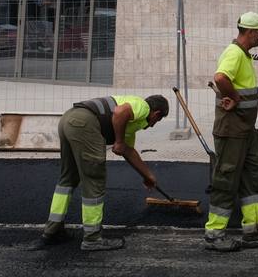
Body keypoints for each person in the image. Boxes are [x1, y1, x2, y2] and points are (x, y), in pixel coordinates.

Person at [38, 92, 169, 252]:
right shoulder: (141, 106)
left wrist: (148, 176)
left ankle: (52, 231)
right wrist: (119, 141)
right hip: (85, 124)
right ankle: (92, 238)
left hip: (69, 120)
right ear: (156, 114)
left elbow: (129, 152)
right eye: (158, 120)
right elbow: (120, 113)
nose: (154, 125)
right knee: (94, 181)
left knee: (68, 179)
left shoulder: (131, 123)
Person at [204, 11, 258, 252]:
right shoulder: (234, 53)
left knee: (252, 179)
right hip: (232, 130)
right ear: (250, 32)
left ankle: (253, 231)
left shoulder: (244, 55)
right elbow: (220, 77)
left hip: (246, 130)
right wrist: (234, 97)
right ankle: (214, 234)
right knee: (226, 179)